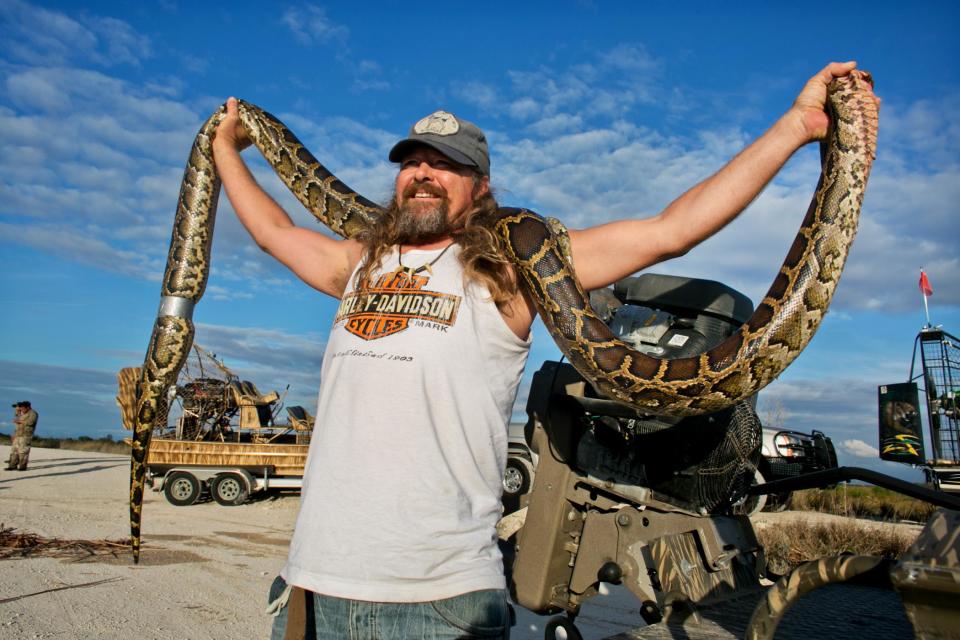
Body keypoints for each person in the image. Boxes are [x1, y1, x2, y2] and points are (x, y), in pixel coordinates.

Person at [212, 61, 877, 639]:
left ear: (479, 186)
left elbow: (670, 230)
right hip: (310, 589)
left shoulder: (510, 267)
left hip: (436, 605)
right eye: (413, 161)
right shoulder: (359, 266)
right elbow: (273, 231)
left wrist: (795, 127)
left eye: (446, 165)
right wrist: (225, 151)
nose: (423, 174)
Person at [7, 401, 38, 471]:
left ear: (28, 407)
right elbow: (17, 418)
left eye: (23, 408)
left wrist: (19, 421)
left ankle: (22, 467)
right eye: (21, 408)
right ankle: (12, 466)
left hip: (26, 435)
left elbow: (31, 422)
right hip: (18, 434)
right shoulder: (22, 413)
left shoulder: (33, 413)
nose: (22, 409)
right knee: (14, 451)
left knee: (23, 452)